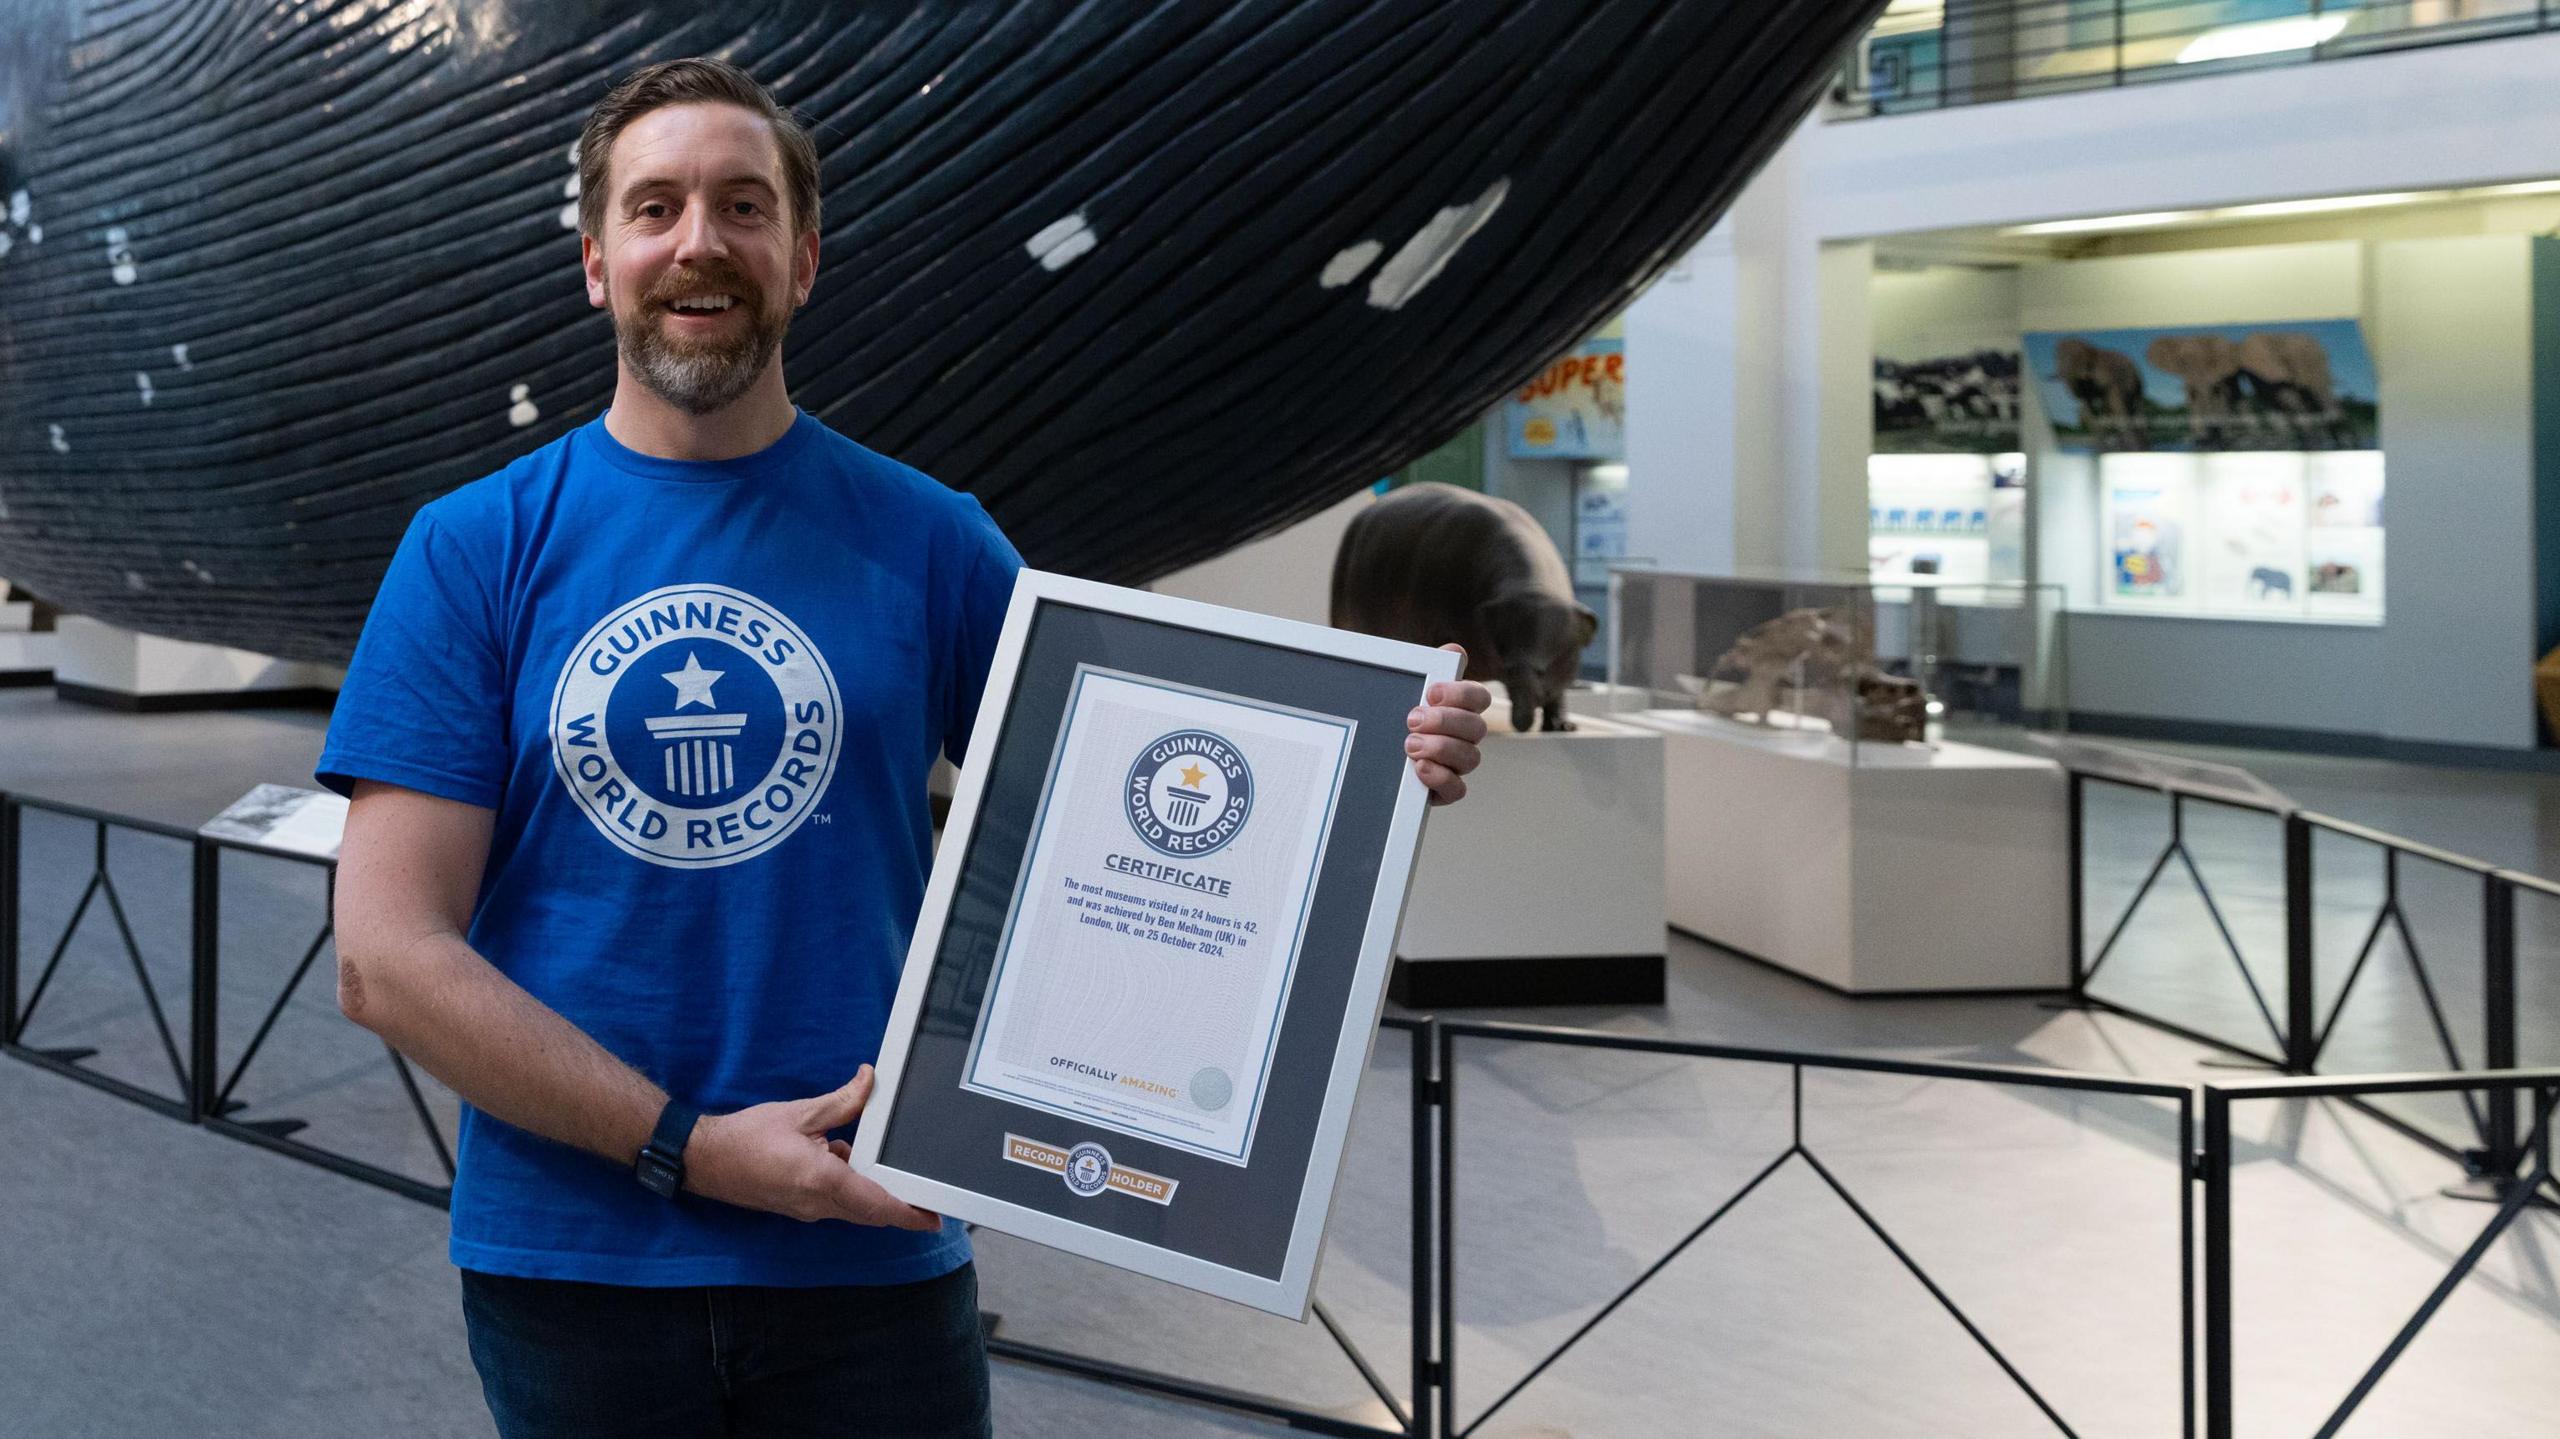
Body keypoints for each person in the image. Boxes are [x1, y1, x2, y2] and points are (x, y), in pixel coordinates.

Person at [320, 57, 1491, 1439]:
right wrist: (686, 1147)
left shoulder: (931, 541)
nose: (700, 240)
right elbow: (387, 956)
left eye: (743, 206)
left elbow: (1131, 811)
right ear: (596, 263)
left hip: (873, 1237)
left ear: (804, 260)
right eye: (656, 208)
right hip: (579, 1260)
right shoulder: (473, 551)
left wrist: (1364, 768)